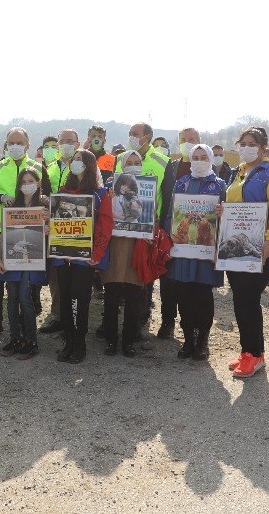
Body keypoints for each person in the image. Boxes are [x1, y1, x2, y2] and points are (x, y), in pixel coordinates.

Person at [219, 126, 269, 378]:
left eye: (252, 143)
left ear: (262, 146)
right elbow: (233, 205)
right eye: (243, 143)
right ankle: (249, 351)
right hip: (236, 244)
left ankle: (254, 354)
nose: (246, 147)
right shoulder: (238, 172)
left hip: (262, 247)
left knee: (247, 298)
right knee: (241, 299)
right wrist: (222, 212)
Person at [0, 127, 49, 341]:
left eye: (19, 143)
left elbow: (47, 195)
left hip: (31, 232)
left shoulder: (38, 167)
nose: (15, 146)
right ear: (6, 145)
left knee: (27, 282)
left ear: (28, 145)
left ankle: (25, 324)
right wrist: (2, 197)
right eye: (11, 143)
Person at [162, 144, 225, 361]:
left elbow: (229, 217)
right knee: (184, 295)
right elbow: (172, 214)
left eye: (203, 157)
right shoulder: (181, 183)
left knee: (203, 296)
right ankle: (189, 339)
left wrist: (222, 213)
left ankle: (203, 341)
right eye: (195, 157)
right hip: (183, 249)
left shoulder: (219, 185)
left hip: (206, 251)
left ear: (209, 159)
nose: (198, 161)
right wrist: (171, 240)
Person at [52, 148, 112, 364]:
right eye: (74, 159)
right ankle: (68, 341)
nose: (75, 162)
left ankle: (80, 343)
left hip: (85, 258)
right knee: (65, 298)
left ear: (89, 165)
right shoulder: (62, 191)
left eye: (80, 159)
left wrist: (96, 254)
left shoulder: (100, 194)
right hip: (63, 256)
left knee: (80, 299)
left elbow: (105, 227)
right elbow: (56, 223)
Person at [102, 151, 153, 357]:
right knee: (111, 296)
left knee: (134, 298)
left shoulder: (147, 192)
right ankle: (111, 340)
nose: (133, 165)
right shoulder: (109, 189)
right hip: (115, 248)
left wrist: (150, 232)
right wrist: (109, 197)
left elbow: (150, 217)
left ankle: (129, 341)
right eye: (129, 162)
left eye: (137, 162)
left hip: (137, 249)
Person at [0, 166, 48, 359]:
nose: (27, 185)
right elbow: (3, 235)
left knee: (25, 297)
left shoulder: (45, 204)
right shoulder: (12, 206)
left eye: (30, 181)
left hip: (34, 259)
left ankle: (31, 341)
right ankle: (15, 337)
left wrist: (49, 228)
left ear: (38, 183)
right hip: (12, 258)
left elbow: (57, 230)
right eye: (23, 182)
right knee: (12, 298)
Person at [156, 127, 202, 339]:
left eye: (192, 139)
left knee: (190, 281)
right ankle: (167, 321)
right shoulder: (171, 167)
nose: (187, 143)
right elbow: (162, 197)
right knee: (167, 279)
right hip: (169, 231)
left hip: (196, 233)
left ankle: (190, 325)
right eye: (183, 140)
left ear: (200, 141)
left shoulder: (205, 166)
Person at [38, 128, 79, 335]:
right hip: (54, 228)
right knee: (55, 274)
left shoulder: (85, 167)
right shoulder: (49, 168)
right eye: (62, 141)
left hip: (78, 228)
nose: (65, 145)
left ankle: (74, 317)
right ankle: (57, 315)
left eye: (70, 141)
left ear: (78, 144)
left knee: (76, 274)